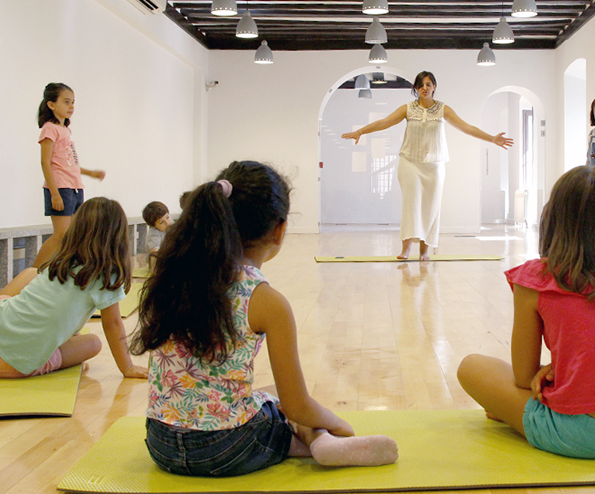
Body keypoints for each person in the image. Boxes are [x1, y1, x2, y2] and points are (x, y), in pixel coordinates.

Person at [131, 162, 398, 477]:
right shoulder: (266, 301)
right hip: (225, 447)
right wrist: (336, 421)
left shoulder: (172, 277)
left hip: (161, 444)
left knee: (268, 395)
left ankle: (305, 442)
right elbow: (297, 404)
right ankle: (316, 441)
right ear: (279, 230)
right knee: (284, 410)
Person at [457, 166, 595, 460]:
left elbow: (524, 378)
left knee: (471, 366)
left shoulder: (537, 279)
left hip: (583, 435)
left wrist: (549, 374)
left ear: (553, 219)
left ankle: (513, 411)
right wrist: (565, 368)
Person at [342, 71, 513, 260]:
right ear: (416, 89)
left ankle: (424, 250)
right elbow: (384, 123)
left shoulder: (442, 109)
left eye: (428, 84)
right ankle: (405, 249)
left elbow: (467, 128)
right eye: (421, 85)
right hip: (409, 162)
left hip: (435, 165)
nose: (425, 88)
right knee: (411, 205)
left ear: (434, 87)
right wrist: (360, 132)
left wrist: (492, 139)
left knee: (430, 207)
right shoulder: (408, 108)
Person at [0, 197, 147, 379]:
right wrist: (128, 368)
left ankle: (10, 324)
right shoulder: (105, 276)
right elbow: (113, 324)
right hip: (13, 366)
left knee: (31, 273)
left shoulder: (61, 261)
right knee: (94, 343)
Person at [33, 83, 106, 268]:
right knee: (61, 235)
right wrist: (55, 192)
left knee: (73, 235)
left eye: (73, 102)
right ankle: (34, 271)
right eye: (66, 102)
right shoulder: (49, 128)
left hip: (75, 187)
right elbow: (46, 162)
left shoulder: (66, 130)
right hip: (61, 187)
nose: (71, 107)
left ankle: (64, 270)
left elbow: (69, 164)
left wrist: (90, 173)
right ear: (51, 104)